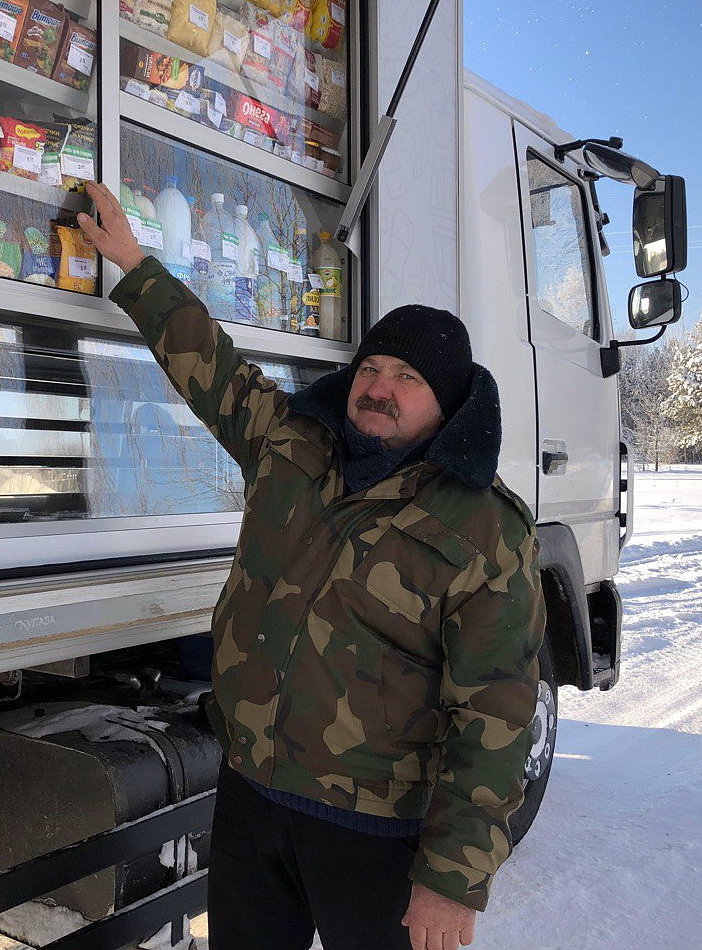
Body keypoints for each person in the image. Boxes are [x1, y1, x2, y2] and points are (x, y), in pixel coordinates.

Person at [78, 183, 545, 950]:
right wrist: (133, 262)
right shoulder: (291, 444)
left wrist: (452, 879)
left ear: (450, 403)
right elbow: (211, 366)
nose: (379, 388)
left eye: (409, 378)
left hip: (375, 831)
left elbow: (494, 715)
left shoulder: (483, 529)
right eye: (373, 367)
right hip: (252, 795)